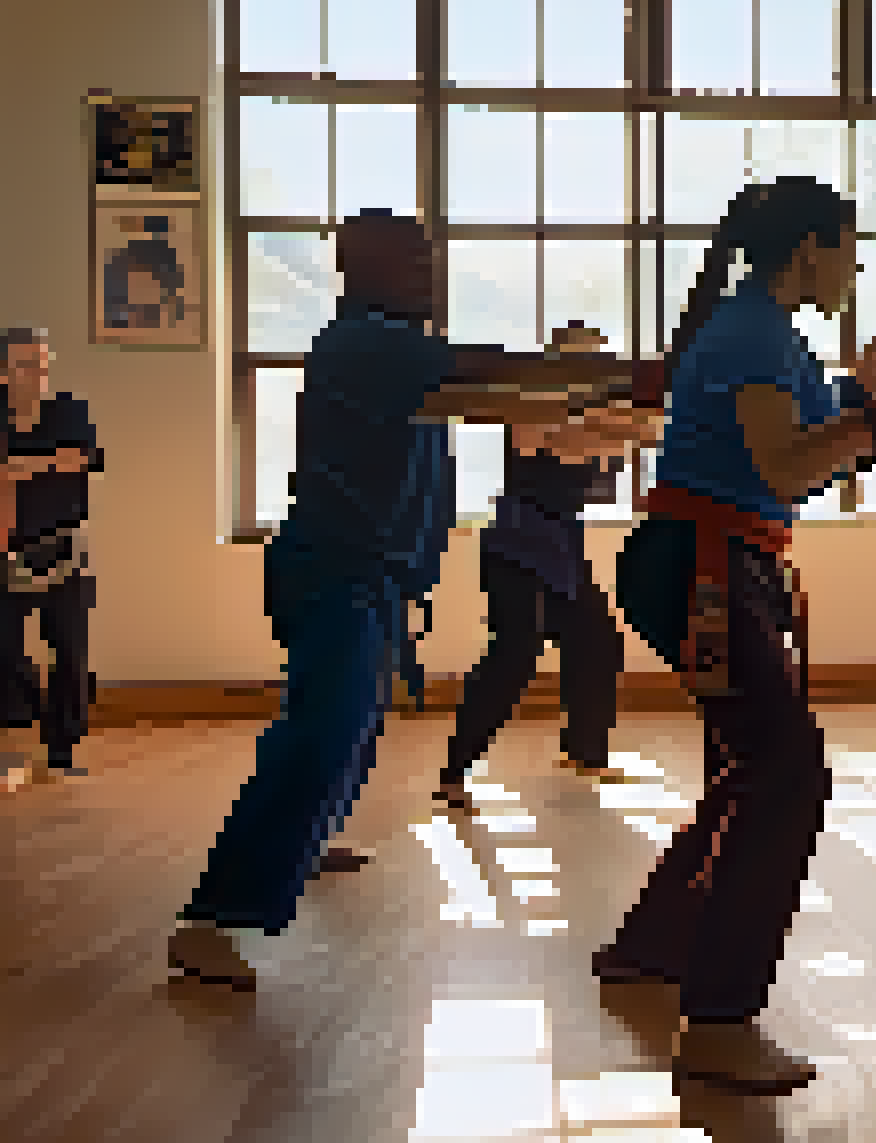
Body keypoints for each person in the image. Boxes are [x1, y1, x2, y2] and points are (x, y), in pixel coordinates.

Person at [169, 209, 660, 989]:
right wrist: (633, 378)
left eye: (429, 260)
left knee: (353, 727)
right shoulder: (370, 343)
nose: (426, 275)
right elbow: (497, 382)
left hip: (371, 575)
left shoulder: (396, 351)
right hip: (338, 572)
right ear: (358, 271)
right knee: (324, 730)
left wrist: (621, 412)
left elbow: (507, 401)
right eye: (408, 262)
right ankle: (212, 919)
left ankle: (305, 838)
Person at [602, 176, 876, 1092]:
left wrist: (866, 406)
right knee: (787, 769)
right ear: (809, 249)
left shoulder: (767, 334)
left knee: (751, 762)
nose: (855, 265)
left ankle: (656, 947)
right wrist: (872, 419)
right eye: (847, 246)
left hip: (719, 560)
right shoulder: (756, 333)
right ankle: (720, 1022)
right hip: (704, 565)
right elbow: (790, 463)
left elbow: (800, 451)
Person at [437, 321, 662, 802]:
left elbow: (624, 434)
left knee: (597, 640)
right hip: (517, 545)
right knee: (515, 654)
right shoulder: (532, 407)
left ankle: (585, 753)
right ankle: (454, 772)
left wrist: (644, 419)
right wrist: (637, 423)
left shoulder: (597, 411)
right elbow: (579, 440)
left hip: (560, 545)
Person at [0, 327, 103, 780]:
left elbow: (86, 458)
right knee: (7, 651)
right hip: (6, 552)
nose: (37, 374)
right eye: (26, 365)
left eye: (42, 364)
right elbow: (55, 462)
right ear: (3, 372)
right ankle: (27, 722)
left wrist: (19, 466)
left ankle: (62, 749)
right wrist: (49, 463)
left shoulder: (69, 409)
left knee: (70, 653)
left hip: (66, 551)